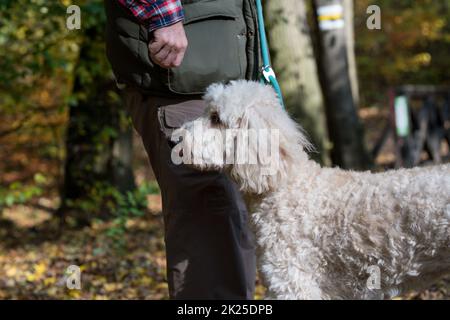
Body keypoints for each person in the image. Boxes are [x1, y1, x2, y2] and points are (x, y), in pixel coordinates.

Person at [104, 0, 261, 299]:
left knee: (228, 222)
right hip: (182, 78)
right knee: (212, 223)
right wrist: (163, 15)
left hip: (220, 76)